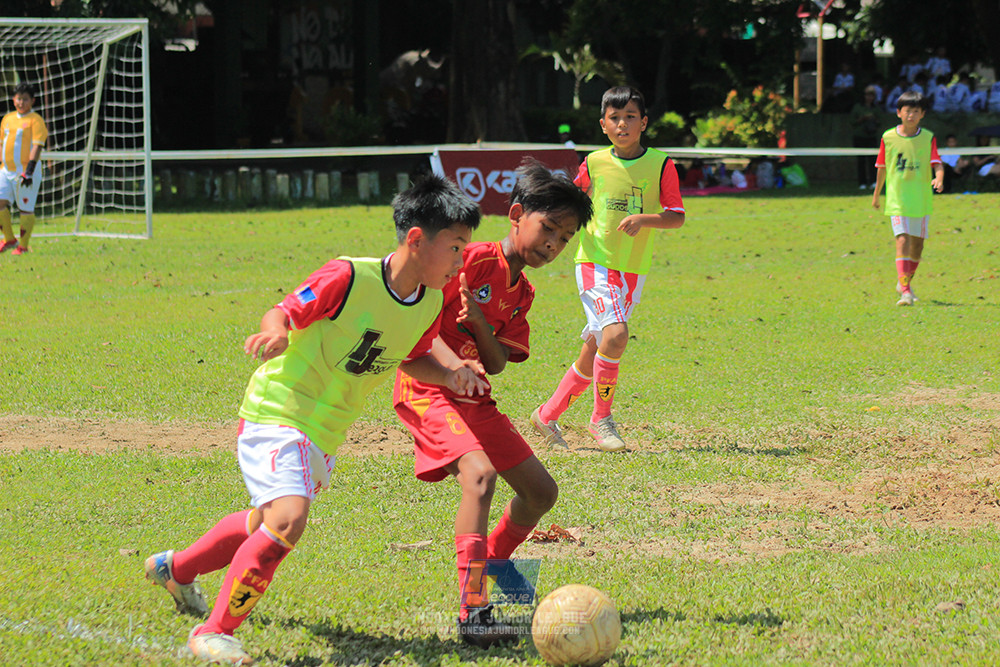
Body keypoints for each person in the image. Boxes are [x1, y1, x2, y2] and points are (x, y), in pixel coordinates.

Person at [144, 174, 488, 665]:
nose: (460, 260)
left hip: (325, 433)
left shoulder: (430, 300)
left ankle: (174, 569)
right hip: (279, 411)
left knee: (262, 522)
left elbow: (410, 356)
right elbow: (281, 313)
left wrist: (450, 374)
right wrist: (278, 334)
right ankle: (214, 632)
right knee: (287, 521)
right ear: (416, 239)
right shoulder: (349, 276)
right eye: (455, 248)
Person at [392, 159, 593, 648]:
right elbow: (416, 330)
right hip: (427, 387)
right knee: (480, 477)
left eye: (564, 239)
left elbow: (499, 362)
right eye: (549, 228)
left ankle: (498, 568)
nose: (553, 244)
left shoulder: (521, 291)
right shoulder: (470, 257)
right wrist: (451, 369)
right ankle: (474, 609)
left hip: (474, 397)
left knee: (541, 494)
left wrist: (480, 323)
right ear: (517, 214)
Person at [530, 86, 685, 452]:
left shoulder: (661, 164)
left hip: (633, 269)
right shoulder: (595, 162)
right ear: (603, 124)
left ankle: (546, 415)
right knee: (615, 336)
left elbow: (676, 217)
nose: (623, 124)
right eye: (614, 118)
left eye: (630, 116)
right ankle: (601, 420)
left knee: (595, 349)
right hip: (595, 262)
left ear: (644, 122)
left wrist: (644, 219)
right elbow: (571, 200)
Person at [872, 91, 944, 306]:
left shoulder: (928, 137)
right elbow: (881, 168)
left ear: (922, 114)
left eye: (915, 111)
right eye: (907, 111)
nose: (911, 115)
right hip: (898, 200)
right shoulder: (888, 137)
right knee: (902, 240)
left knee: (917, 247)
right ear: (898, 113)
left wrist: (939, 178)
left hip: (921, 200)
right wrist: (876, 195)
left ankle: (904, 282)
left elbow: (936, 162)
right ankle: (905, 291)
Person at [0, 82, 48, 255]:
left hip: (26, 172)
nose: (21, 103)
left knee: (25, 208)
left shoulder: (35, 120)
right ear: (14, 100)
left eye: (25, 99)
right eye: (19, 99)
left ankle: (23, 246)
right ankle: (9, 239)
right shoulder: (7, 119)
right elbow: (2, 144)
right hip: (6, 170)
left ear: (32, 101)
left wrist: (29, 170)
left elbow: (37, 145)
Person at [850, 85, 881, 189]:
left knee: (873, 160)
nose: (869, 97)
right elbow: (852, 122)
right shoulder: (858, 107)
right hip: (859, 137)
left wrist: (873, 119)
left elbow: (880, 122)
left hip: (871, 137)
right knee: (861, 161)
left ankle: (873, 181)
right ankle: (862, 183)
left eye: (872, 95)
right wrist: (862, 119)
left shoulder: (876, 108)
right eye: (868, 95)